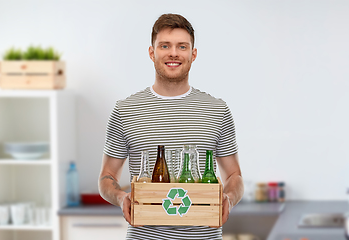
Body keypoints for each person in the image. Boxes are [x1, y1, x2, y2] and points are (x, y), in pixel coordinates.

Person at [98, 13, 244, 240]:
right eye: (164, 45)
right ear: (151, 52)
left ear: (193, 54)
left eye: (182, 46)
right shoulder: (125, 110)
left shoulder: (217, 110)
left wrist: (229, 198)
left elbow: (234, 175)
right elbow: (106, 177)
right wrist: (121, 197)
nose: (173, 53)